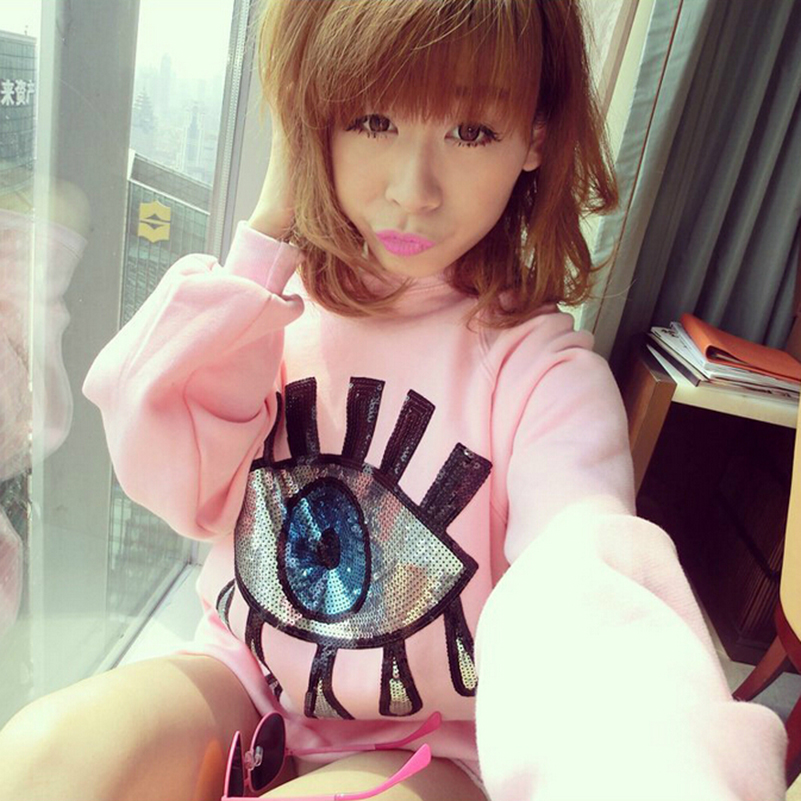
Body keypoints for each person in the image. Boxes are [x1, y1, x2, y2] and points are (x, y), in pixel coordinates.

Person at [0, 1, 788, 799]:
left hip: (432, 750)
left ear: (534, 137)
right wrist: (269, 233)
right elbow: (168, 477)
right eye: (372, 120)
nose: (413, 191)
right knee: (45, 754)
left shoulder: (542, 376)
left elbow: (582, 586)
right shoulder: (268, 313)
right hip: (245, 679)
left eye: (470, 131)